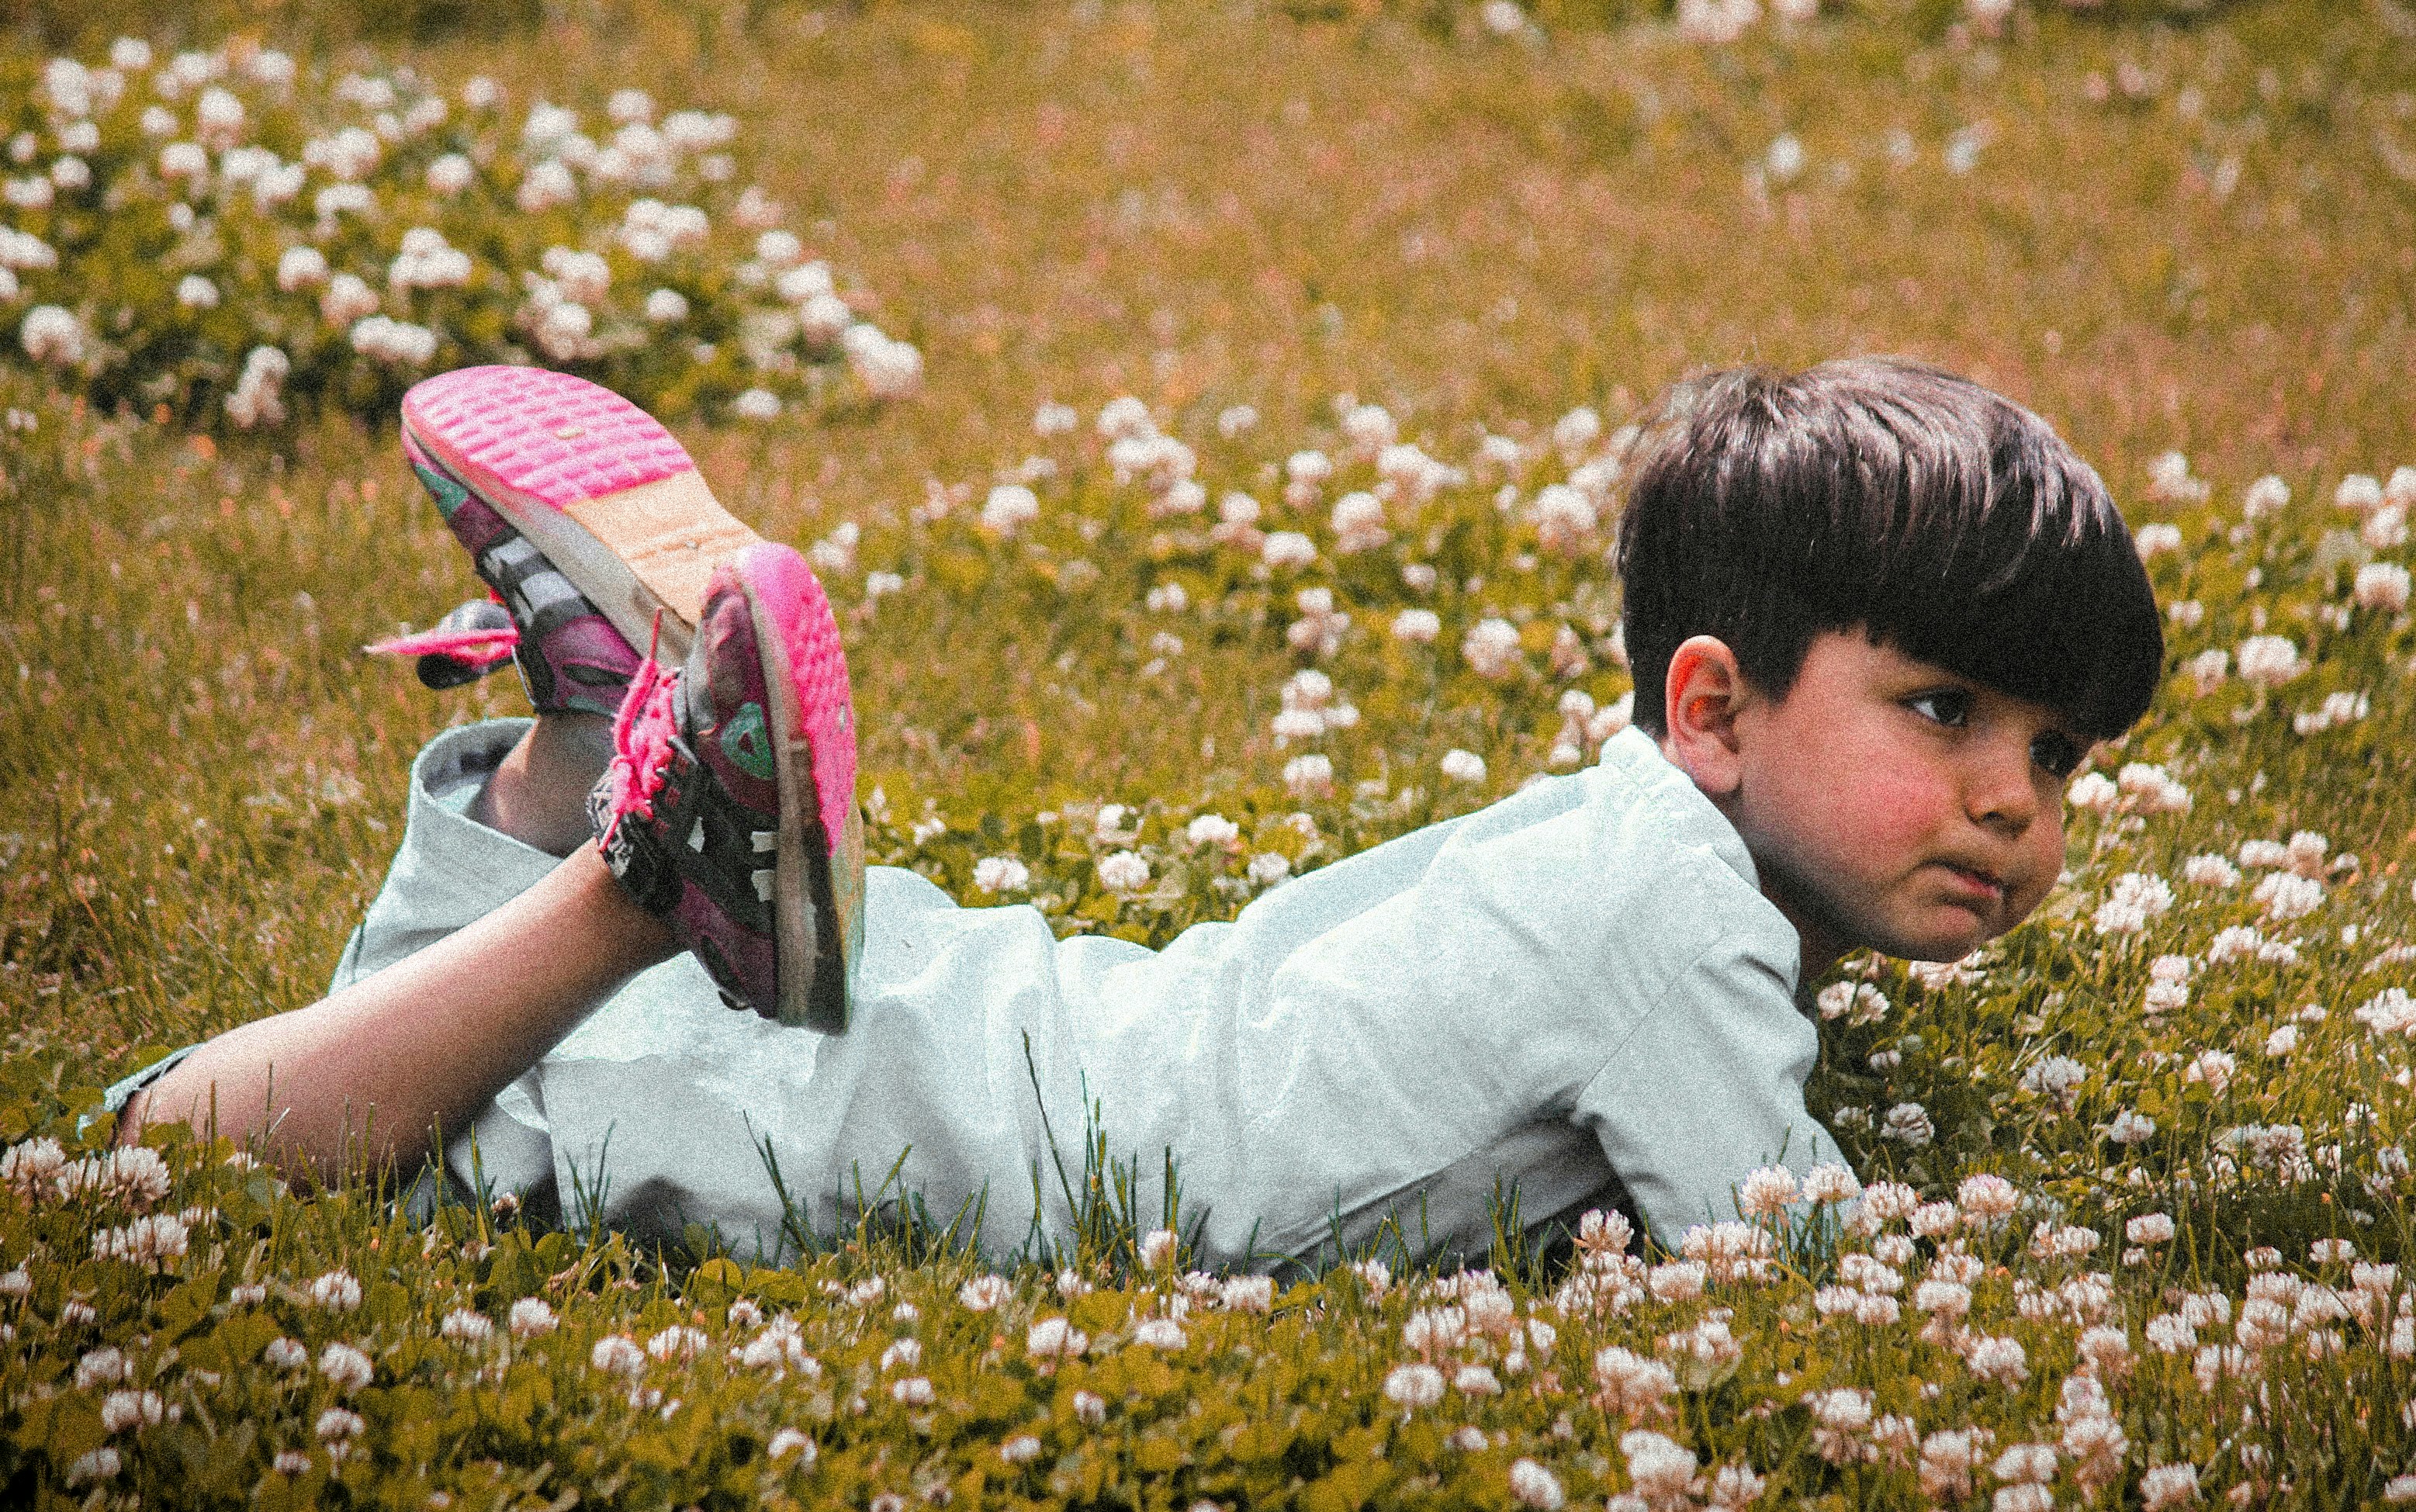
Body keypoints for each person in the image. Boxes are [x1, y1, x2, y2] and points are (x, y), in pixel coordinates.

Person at [110, 358, 2164, 1273]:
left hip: (1033, 1019)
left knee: (539, 1051)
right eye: (1942, 711)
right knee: (160, 1158)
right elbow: (1794, 1261)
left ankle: (584, 738)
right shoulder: (1688, 933)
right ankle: (647, 874)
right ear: (1706, 704)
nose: (2007, 801)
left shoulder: (1615, 845)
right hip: (998, 1145)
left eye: (2057, 754)